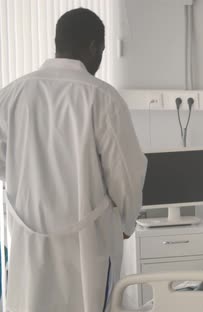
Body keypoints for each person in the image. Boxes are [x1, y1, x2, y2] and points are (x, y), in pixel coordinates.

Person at [0, 8, 147, 312]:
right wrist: (127, 221)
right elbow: (126, 174)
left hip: (29, 236)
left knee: (32, 303)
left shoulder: (12, 95)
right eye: (102, 51)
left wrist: (21, 184)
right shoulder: (102, 98)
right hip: (88, 240)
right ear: (94, 47)